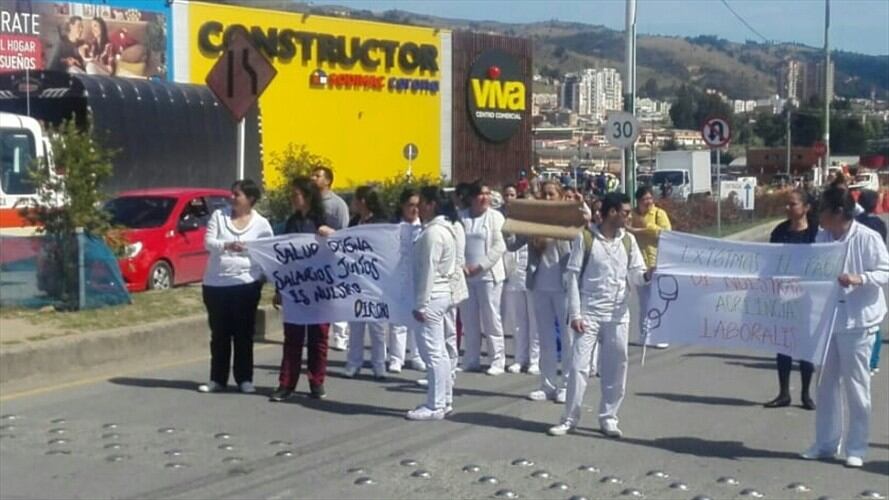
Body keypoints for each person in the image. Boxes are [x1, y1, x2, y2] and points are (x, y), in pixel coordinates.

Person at [548, 192, 650, 438]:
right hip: (588, 313)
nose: (628, 216)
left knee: (616, 367)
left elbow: (636, 274)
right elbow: (572, 276)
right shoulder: (586, 238)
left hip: (617, 315)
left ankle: (608, 417)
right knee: (578, 367)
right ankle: (569, 418)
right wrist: (575, 313)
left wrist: (648, 276)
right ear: (612, 212)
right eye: (625, 212)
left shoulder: (628, 241)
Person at [802, 186, 889, 468]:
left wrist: (859, 278)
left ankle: (857, 447)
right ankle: (826, 444)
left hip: (859, 319)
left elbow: (885, 271)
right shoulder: (822, 236)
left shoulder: (868, 237)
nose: (818, 216)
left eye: (822, 211)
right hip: (828, 320)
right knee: (825, 384)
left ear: (838, 212)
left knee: (857, 385)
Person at [198, 180, 274, 394]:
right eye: (232, 194)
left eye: (237, 195)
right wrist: (226, 245)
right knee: (219, 333)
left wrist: (260, 277)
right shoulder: (219, 216)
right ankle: (217, 379)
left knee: (243, 333)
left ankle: (244, 378)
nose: (232, 198)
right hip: (216, 284)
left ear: (249, 199)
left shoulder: (261, 223)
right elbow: (208, 242)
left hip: (246, 284)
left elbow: (267, 251)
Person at [507, 181, 574, 400]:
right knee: (545, 337)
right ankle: (547, 385)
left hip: (563, 286)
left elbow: (580, 244)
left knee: (567, 338)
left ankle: (565, 386)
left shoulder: (569, 220)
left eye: (551, 194)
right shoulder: (534, 222)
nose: (546, 198)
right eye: (544, 194)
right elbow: (512, 244)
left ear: (561, 196)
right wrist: (509, 224)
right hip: (539, 284)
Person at [270, 177, 335, 401]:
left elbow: (338, 251)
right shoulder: (290, 222)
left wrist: (331, 235)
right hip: (296, 289)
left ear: (306, 196)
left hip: (319, 289)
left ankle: (316, 382)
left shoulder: (323, 221)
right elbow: (283, 257)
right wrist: (280, 287)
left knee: (318, 338)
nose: (292, 198)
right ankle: (286, 383)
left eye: (295, 194)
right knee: (293, 338)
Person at [408, 186, 465, 420]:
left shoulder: (434, 233)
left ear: (431, 204)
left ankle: (435, 404)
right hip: (441, 295)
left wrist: (420, 304)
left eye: (421, 203)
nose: (417, 208)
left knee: (432, 353)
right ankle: (444, 400)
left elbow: (428, 270)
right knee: (439, 352)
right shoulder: (447, 228)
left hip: (432, 297)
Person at [763, 189, 819, 410]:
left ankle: (805, 394)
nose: (788, 208)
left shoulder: (816, 233)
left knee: (806, 347)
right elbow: (770, 261)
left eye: (793, 204)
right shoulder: (779, 231)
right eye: (787, 204)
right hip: (783, 296)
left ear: (806, 208)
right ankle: (784, 392)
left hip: (808, 298)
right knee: (783, 344)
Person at [459, 182, 507, 376]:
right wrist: (462, 266)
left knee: (491, 318)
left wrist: (480, 266)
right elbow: (456, 243)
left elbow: (499, 246)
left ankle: (497, 360)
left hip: (488, 275)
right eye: (480, 194)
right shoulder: (461, 217)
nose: (485, 197)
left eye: (487, 194)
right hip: (466, 276)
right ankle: (471, 358)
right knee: (469, 319)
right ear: (471, 198)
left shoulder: (496, 217)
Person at [344, 185, 389, 379]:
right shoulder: (354, 222)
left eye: (355, 199)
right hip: (356, 279)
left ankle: (379, 364)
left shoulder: (381, 222)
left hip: (376, 280)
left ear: (362, 201)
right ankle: (354, 362)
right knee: (355, 324)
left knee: (377, 325)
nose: (352, 203)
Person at [626, 185, 672, 349]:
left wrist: (644, 228)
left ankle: (659, 335)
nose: (648, 202)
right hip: (639, 264)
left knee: (658, 301)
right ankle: (644, 335)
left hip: (657, 262)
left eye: (650, 198)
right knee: (644, 303)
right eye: (644, 199)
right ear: (638, 201)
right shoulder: (631, 215)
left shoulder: (659, 214)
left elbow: (666, 233)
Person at [501, 185, 540, 375]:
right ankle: (519, 357)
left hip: (534, 277)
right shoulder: (513, 222)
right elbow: (510, 246)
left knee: (535, 321)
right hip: (515, 276)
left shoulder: (542, 225)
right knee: (518, 321)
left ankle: (534, 359)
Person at [311, 166, 351, 352]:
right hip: (312, 256)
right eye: (312, 174)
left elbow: (344, 230)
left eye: (317, 175)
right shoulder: (310, 202)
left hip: (332, 256)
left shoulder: (337, 204)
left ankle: (341, 335)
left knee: (336, 295)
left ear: (328, 180)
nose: (313, 178)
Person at [388, 188, 427, 374]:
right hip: (399, 277)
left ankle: (417, 356)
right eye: (410, 205)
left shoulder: (426, 228)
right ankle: (396, 358)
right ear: (403, 207)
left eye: (417, 205)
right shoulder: (394, 228)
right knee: (398, 320)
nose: (414, 209)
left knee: (419, 319)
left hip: (419, 278)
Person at [854, 189, 887, 376]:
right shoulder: (878, 225)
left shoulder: (857, 224)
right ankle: (872, 362)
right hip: (873, 270)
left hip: (859, 272)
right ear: (876, 204)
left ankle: (865, 360)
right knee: (875, 322)